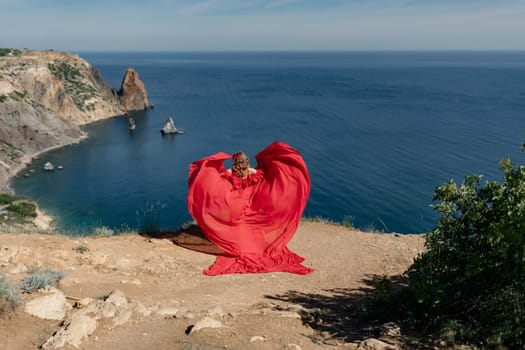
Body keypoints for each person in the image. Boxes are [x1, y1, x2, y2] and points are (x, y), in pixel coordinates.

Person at [187, 141, 314, 276]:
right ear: (246, 162)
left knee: (239, 225)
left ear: (235, 163)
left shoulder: (231, 172)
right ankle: (254, 244)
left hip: (236, 202)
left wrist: (212, 169)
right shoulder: (251, 171)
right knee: (252, 225)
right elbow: (264, 175)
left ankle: (240, 244)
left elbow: (220, 176)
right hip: (251, 200)